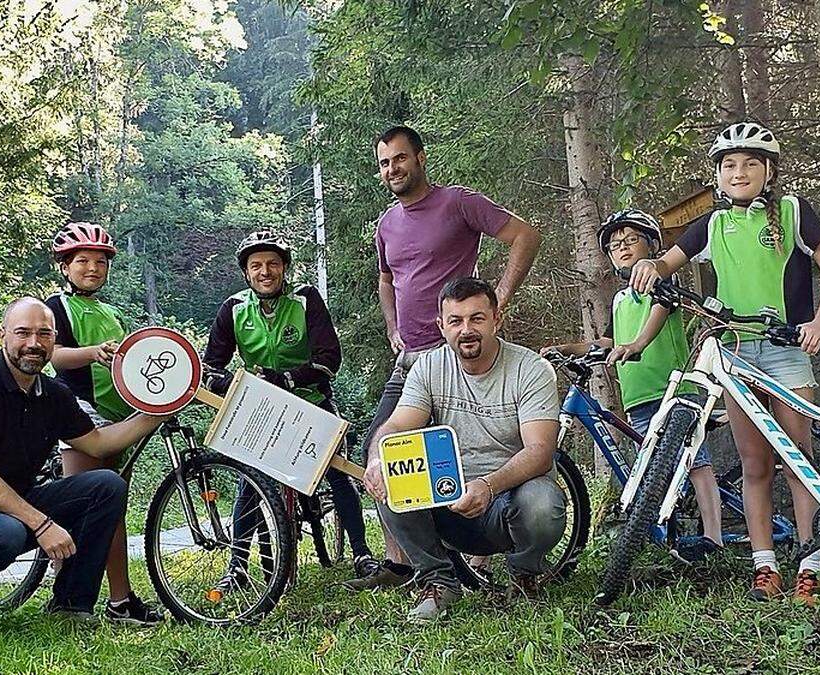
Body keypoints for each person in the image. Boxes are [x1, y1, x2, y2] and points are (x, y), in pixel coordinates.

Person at [629, 122, 820, 606]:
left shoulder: (791, 212)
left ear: (768, 172)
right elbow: (669, 260)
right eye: (729, 165)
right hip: (735, 353)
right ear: (719, 176)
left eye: (750, 163)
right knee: (755, 465)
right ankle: (764, 566)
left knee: (798, 460)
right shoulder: (712, 223)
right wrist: (651, 266)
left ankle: (810, 564)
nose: (739, 171)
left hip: (788, 349)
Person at [364, 125, 541, 567]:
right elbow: (386, 279)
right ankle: (401, 562)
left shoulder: (457, 202)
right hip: (411, 358)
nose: (393, 169)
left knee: (472, 448)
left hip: (459, 351)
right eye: (385, 163)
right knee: (382, 447)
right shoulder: (387, 223)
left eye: (400, 158)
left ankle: (481, 551)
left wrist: (497, 298)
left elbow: (525, 236)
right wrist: (391, 326)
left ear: (420, 158)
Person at [0, 297, 166, 618]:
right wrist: (41, 524)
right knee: (8, 532)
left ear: (54, 338)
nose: (33, 343)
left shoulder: (54, 395)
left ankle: (71, 605)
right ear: (2, 335)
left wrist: (156, 413)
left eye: (44, 334)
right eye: (23, 333)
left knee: (106, 485)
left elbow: (97, 444)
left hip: (15, 503)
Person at [356, 277, 566, 623]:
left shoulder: (531, 369)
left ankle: (524, 575)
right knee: (391, 477)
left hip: (508, 500)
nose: (466, 330)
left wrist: (487, 485)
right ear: (441, 326)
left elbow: (540, 451)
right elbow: (395, 426)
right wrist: (378, 456)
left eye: (477, 318)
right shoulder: (428, 367)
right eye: (455, 321)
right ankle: (438, 581)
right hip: (446, 500)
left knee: (544, 503)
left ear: (497, 319)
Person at [543, 209, 723, 562]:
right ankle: (665, 533)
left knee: (695, 462)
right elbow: (609, 343)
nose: (622, 248)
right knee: (655, 466)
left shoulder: (660, 280)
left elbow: (660, 311)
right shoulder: (621, 300)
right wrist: (567, 348)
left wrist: (637, 345)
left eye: (630, 240)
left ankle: (713, 536)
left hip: (674, 393)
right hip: (638, 399)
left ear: (652, 245)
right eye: (614, 246)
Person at [201, 230, 378, 586]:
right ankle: (237, 567)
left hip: (310, 401)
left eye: (272, 264)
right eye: (256, 266)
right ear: (246, 273)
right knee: (248, 483)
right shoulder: (234, 309)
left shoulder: (306, 300)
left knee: (336, 472)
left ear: (285, 268)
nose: (265, 272)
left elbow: (330, 359)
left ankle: (362, 554)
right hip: (259, 410)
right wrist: (227, 381)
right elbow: (210, 366)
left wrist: (285, 378)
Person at [43, 222, 163, 625]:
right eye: (82, 261)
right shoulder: (56, 307)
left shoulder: (110, 312)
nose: (92, 268)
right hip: (78, 412)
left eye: (99, 261)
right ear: (64, 267)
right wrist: (93, 352)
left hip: (117, 414)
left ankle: (118, 598)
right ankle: (71, 599)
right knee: (84, 508)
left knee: (111, 508)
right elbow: (53, 357)